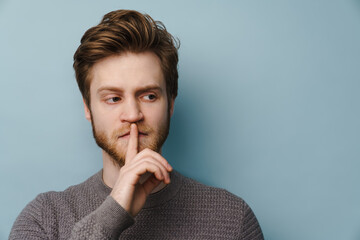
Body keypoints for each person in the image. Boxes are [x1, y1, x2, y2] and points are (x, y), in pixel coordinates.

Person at [9, 9, 264, 239]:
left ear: (171, 104)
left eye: (149, 96)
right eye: (113, 98)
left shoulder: (232, 220)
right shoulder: (43, 219)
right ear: (88, 108)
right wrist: (114, 212)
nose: (132, 114)